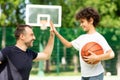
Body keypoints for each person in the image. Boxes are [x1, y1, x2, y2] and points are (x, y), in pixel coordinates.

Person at [50, 7, 115, 80]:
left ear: (91, 20)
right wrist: (56, 32)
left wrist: (97, 57)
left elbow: (111, 54)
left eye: (82, 21)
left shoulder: (98, 37)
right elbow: (68, 44)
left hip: (96, 75)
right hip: (84, 76)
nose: (80, 24)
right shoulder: (82, 38)